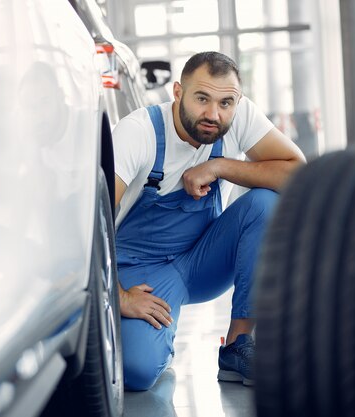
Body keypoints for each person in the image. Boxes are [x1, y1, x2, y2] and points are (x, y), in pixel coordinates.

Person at [113, 51, 306, 391]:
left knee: (265, 201)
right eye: (202, 98)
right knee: (137, 371)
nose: (213, 114)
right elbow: (88, 228)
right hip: (140, 271)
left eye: (225, 103)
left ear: (237, 101)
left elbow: (297, 172)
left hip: (202, 262)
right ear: (178, 92)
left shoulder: (237, 115)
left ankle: (237, 346)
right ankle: (155, 337)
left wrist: (220, 166)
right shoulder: (137, 134)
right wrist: (120, 297)